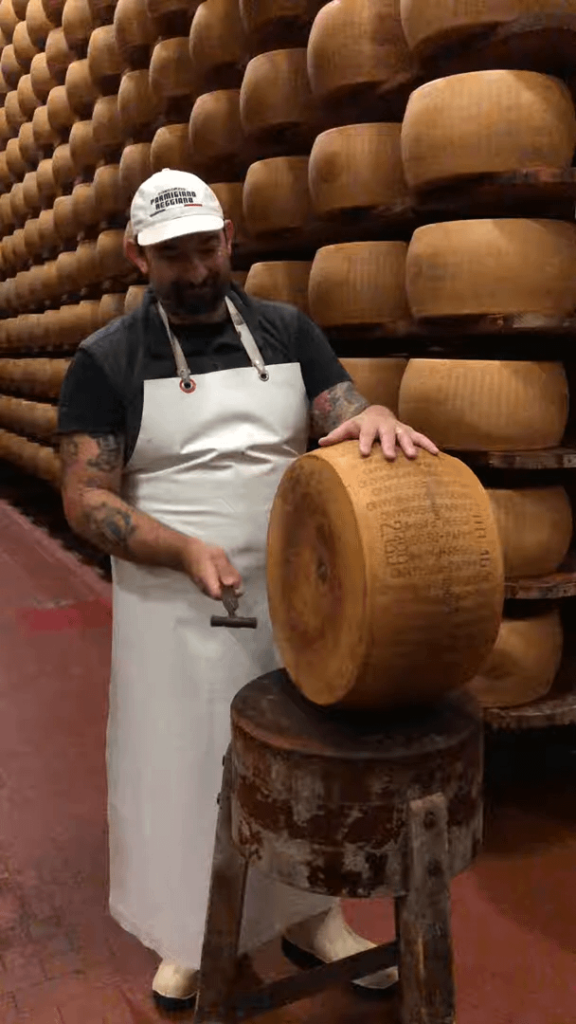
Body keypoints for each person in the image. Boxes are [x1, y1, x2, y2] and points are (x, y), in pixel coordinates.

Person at [58, 169, 438, 1011]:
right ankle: (190, 932)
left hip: (294, 600)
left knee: (308, 762)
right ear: (136, 256)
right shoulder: (107, 360)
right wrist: (182, 549)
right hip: (173, 600)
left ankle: (313, 917)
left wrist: (370, 417)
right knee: (186, 765)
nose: (196, 272)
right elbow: (86, 498)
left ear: (229, 238)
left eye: (207, 249)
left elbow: (340, 411)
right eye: (173, 258)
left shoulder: (286, 331)